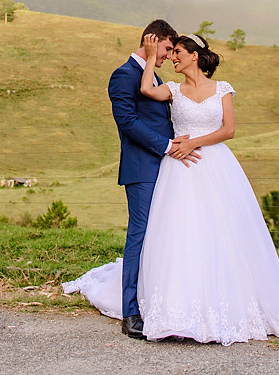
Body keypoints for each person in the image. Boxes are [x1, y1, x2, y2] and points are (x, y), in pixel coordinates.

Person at [64, 31, 279, 345]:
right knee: (180, 233)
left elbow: (228, 130)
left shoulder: (223, 89)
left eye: (177, 52)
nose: (172, 57)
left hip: (214, 163)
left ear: (195, 55)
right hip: (179, 169)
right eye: (170, 51)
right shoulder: (172, 89)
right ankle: (179, 305)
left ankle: (228, 302)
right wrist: (150, 57)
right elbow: (145, 88)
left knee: (223, 232)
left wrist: (193, 143)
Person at [90, 20, 198, 340]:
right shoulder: (123, 75)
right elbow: (127, 121)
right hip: (142, 169)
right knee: (139, 236)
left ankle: (153, 300)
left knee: (159, 238)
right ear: (152, 40)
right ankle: (130, 312)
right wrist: (166, 146)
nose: (168, 56)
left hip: (165, 168)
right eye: (167, 48)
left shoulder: (155, 75)